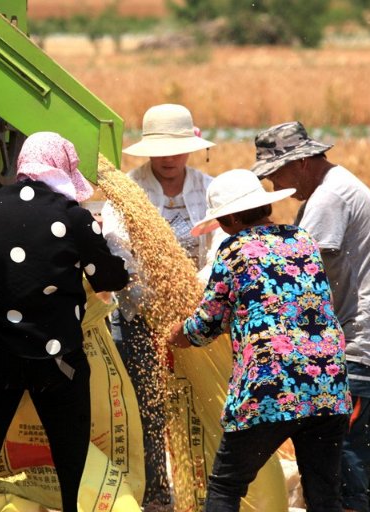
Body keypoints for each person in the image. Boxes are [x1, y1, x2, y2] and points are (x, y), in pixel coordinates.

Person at [0, 132, 130, 512]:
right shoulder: (73, 218)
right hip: (55, 360)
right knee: (71, 461)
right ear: (61, 171)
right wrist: (104, 240)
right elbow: (109, 280)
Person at [251, 122, 370, 512]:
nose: (275, 185)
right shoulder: (341, 185)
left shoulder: (329, 198)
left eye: (276, 172)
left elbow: (298, 272)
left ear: (304, 162)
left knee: (346, 470)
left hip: (362, 343)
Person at [168, 168, 352, 512]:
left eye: (222, 220)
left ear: (234, 217)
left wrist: (180, 334)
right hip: (327, 383)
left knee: (226, 485)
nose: (222, 227)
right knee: (325, 495)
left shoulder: (235, 250)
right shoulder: (302, 240)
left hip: (271, 385)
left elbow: (208, 322)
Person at [101, 103, 224, 511]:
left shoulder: (209, 190)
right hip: (141, 319)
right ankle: (156, 493)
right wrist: (152, 305)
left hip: (199, 315)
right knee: (147, 407)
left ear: (191, 146)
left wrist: (195, 297)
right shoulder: (128, 193)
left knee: (202, 404)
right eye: (161, 150)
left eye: (177, 149)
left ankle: (204, 492)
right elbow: (120, 253)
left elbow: (218, 251)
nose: (169, 159)